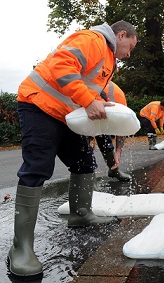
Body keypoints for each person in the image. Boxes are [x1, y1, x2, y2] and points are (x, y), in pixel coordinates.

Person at [8, 20, 138, 279]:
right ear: (121, 35)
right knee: (37, 168)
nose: (129, 53)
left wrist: (99, 102)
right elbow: (61, 66)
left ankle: (81, 214)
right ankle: (20, 248)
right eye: (130, 46)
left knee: (84, 162)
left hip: (66, 114)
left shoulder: (108, 59)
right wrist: (88, 101)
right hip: (39, 106)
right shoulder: (92, 40)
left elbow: (83, 84)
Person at [94, 81, 131, 181]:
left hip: (102, 116)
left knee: (106, 141)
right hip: (80, 109)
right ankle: (88, 179)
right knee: (83, 145)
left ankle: (114, 170)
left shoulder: (118, 96)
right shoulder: (88, 84)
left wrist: (118, 151)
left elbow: (121, 126)